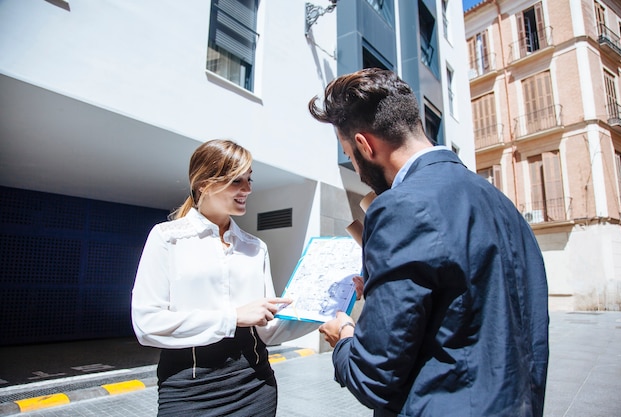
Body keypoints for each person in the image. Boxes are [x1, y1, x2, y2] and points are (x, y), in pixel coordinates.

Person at [311, 68, 549, 417]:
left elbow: (372, 375)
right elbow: (471, 308)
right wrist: (382, 291)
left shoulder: (400, 206)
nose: (356, 167)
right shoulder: (500, 202)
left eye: (350, 155)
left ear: (364, 145)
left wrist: (344, 337)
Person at [131, 139, 317, 416]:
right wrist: (232, 317)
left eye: (249, 179)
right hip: (188, 392)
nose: (248, 189)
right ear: (204, 183)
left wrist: (324, 311)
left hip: (255, 387)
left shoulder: (255, 247)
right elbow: (147, 324)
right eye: (236, 181)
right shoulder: (167, 238)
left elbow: (268, 329)